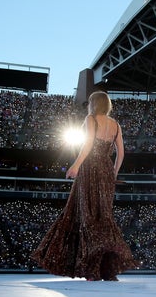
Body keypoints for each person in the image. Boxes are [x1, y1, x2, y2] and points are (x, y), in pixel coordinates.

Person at [32, 91, 138, 281]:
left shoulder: (90, 119)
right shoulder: (115, 125)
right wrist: (113, 172)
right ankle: (107, 270)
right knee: (103, 217)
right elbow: (121, 153)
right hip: (106, 171)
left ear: (93, 104)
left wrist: (75, 165)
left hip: (89, 169)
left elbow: (88, 144)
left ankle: (91, 269)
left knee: (86, 215)